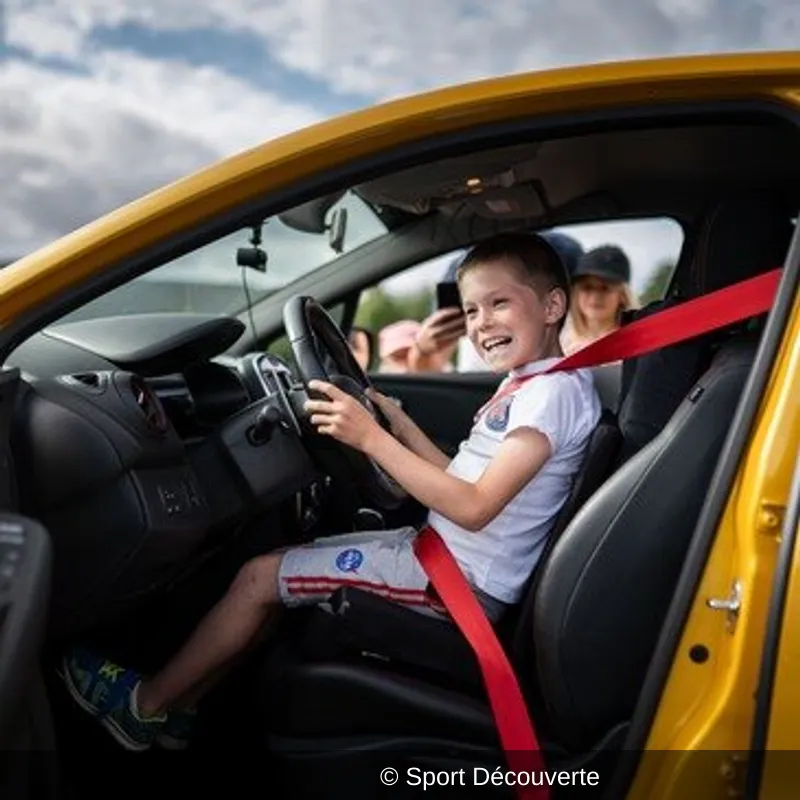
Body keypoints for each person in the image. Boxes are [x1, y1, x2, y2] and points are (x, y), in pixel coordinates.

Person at [59, 232, 602, 752]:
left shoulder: (549, 396)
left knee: (258, 576)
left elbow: (476, 506)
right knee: (281, 567)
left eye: (499, 304)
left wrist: (369, 437)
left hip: (454, 585)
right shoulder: (533, 384)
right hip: (447, 561)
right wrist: (396, 425)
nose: (482, 324)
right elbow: (463, 481)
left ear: (554, 306)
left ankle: (143, 705)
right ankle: (182, 707)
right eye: (471, 311)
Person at [560, 244, 639, 355]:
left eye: (605, 288)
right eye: (587, 287)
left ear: (622, 295)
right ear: (576, 293)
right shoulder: (560, 343)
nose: (595, 296)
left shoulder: (636, 344)